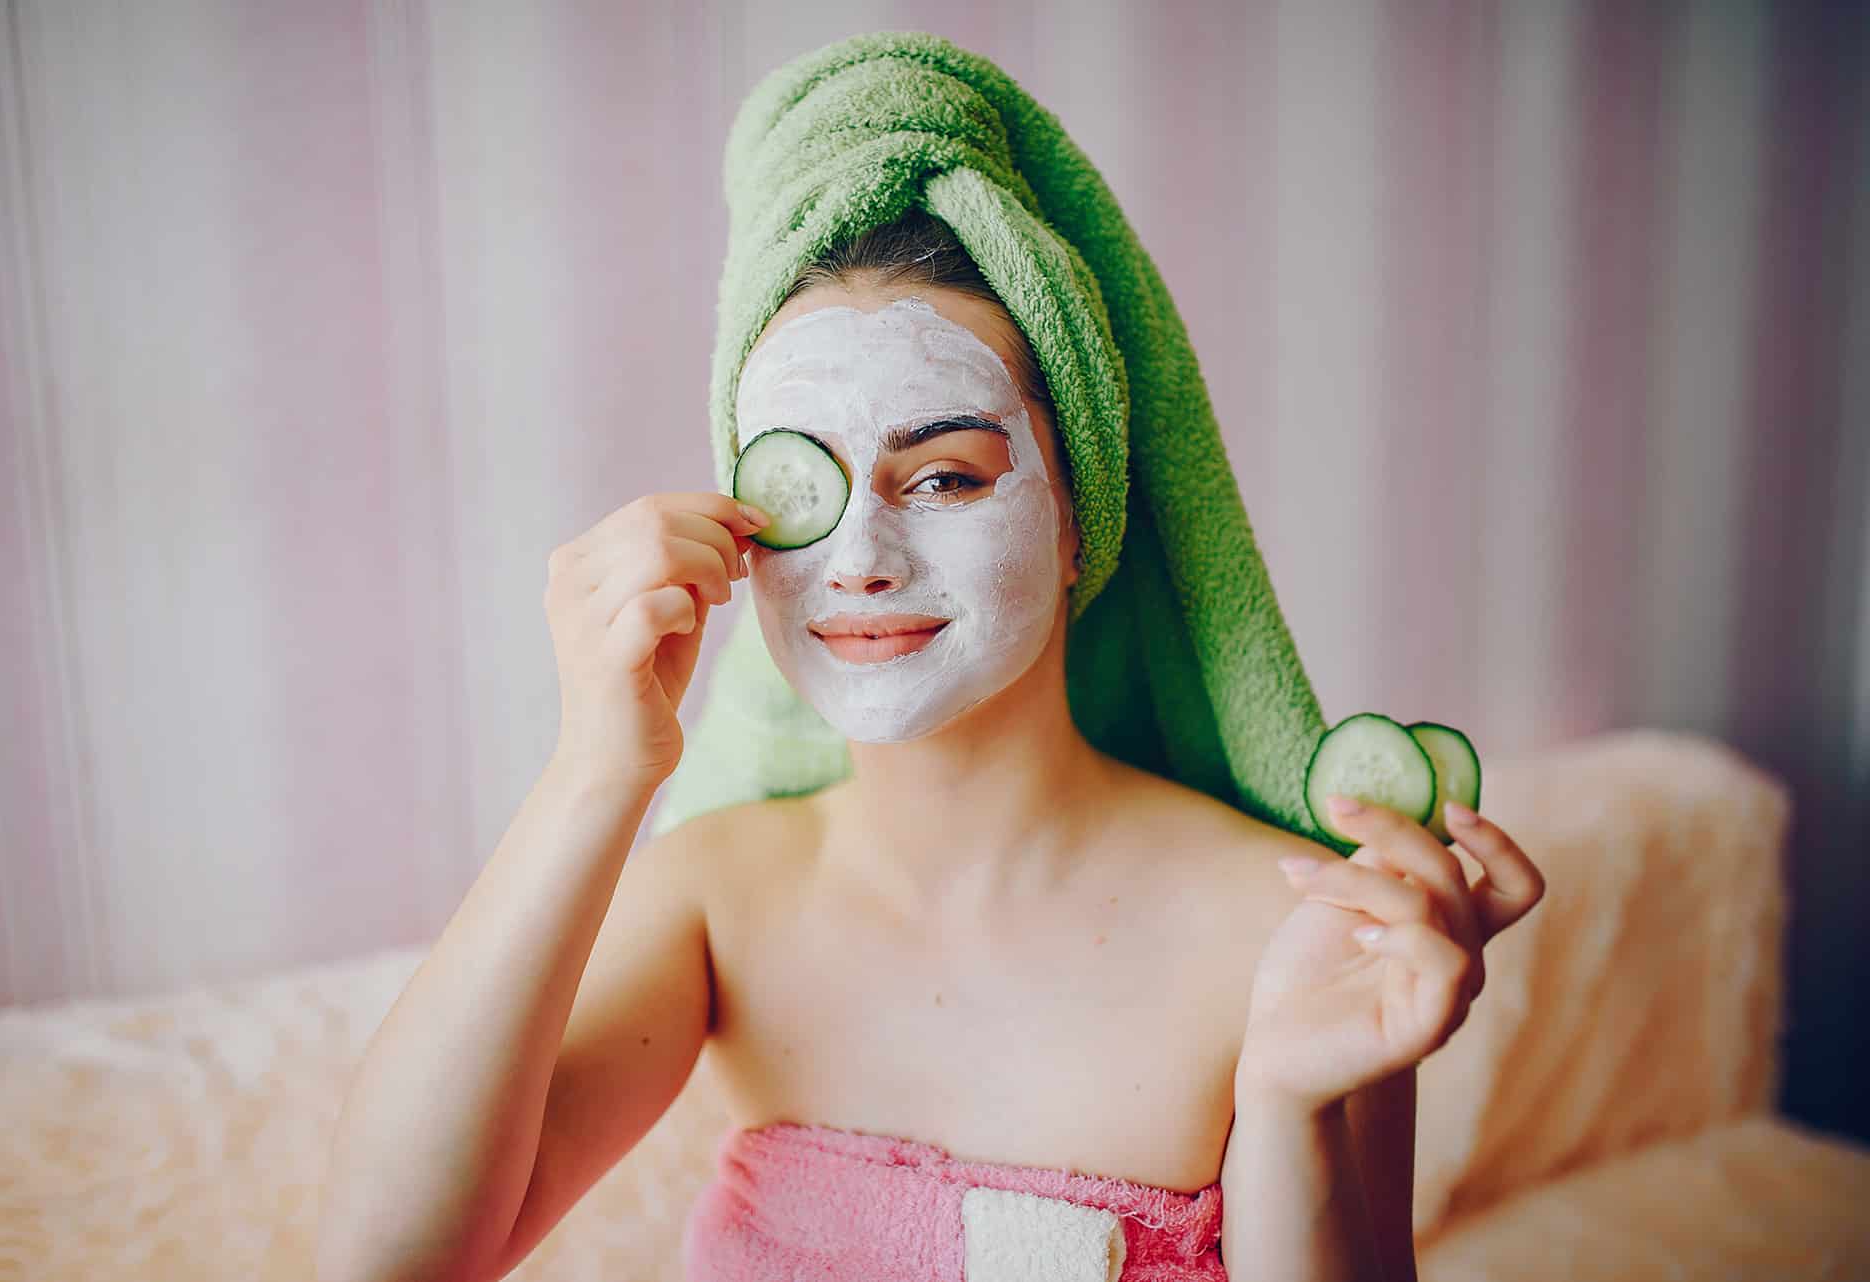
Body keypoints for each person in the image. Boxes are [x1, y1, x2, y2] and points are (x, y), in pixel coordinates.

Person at [316, 205, 1545, 1282]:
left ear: (1081, 519)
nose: (857, 561)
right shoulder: (718, 896)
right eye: (807, 490)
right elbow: (392, 1260)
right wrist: (597, 764)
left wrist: (1290, 1104)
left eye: (947, 477)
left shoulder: (1294, 925)